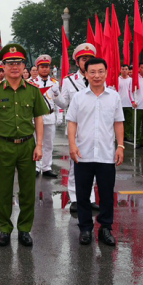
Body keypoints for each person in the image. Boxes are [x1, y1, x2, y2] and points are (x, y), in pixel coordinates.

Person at [0, 43, 48, 247]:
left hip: (27, 145)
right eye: (10, 63)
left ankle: (25, 229)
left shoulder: (33, 91)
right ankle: (5, 229)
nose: (14, 67)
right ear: (3, 67)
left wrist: (40, 145)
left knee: (28, 190)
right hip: (3, 146)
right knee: (3, 190)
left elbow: (39, 119)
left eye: (18, 63)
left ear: (23, 65)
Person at [66, 57, 125, 246]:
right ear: (85, 74)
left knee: (107, 195)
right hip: (83, 154)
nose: (97, 75)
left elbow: (118, 122)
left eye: (101, 71)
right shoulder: (78, 97)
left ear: (106, 73)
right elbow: (72, 122)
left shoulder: (114, 97)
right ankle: (85, 228)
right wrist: (72, 145)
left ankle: (105, 228)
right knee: (82, 194)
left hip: (107, 154)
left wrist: (121, 146)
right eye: (92, 72)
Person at [55, 43, 98, 212]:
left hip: (95, 127)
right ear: (78, 61)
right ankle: (74, 198)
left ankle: (91, 197)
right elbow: (64, 103)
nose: (87, 61)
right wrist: (56, 95)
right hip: (77, 128)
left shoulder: (98, 78)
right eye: (84, 59)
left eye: (90, 59)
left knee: (94, 163)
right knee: (76, 165)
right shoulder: (69, 81)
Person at [31, 55, 61, 178]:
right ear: (37, 68)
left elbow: (58, 102)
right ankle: (36, 167)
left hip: (49, 116)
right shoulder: (31, 83)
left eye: (46, 67)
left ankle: (47, 167)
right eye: (42, 67)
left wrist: (59, 115)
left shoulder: (55, 83)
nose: (44, 69)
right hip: (36, 117)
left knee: (49, 144)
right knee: (37, 143)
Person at [118, 64, 134, 142]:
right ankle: (119, 135)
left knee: (128, 121)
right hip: (119, 104)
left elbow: (132, 91)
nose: (124, 70)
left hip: (128, 103)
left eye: (126, 69)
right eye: (123, 69)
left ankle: (126, 135)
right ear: (120, 70)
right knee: (119, 121)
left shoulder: (131, 80)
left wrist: (133, 101)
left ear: (128, 70)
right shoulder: (117, 79)